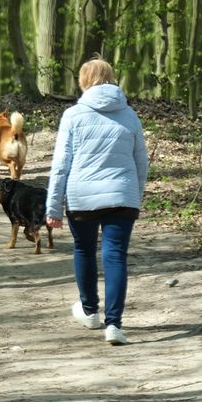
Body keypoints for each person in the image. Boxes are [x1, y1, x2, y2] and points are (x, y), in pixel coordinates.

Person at [45, 58, 149, 345]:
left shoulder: (73, 115)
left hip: (82, 197)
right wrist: (135, 197)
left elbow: (61, 164)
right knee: (115, 255)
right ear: (111, 79)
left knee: (84, 250)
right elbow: (142, 162)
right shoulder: (129, 115)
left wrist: (53, 207)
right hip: (122, 196)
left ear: (83, 81)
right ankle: (114, 325)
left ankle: (90, 311)